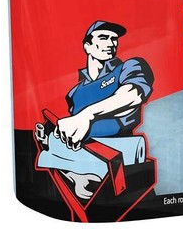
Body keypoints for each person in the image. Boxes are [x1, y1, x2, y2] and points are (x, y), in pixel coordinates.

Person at [35, 21, 153, 200]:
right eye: (104, 38)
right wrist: (49, 139)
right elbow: (75, 133)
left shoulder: (129, 67)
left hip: (122, 164)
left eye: (114, 39)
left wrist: (87, 115)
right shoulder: (75, 92)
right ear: (87, 46)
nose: (111, 43)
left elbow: (133, 95)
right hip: (84, 164)